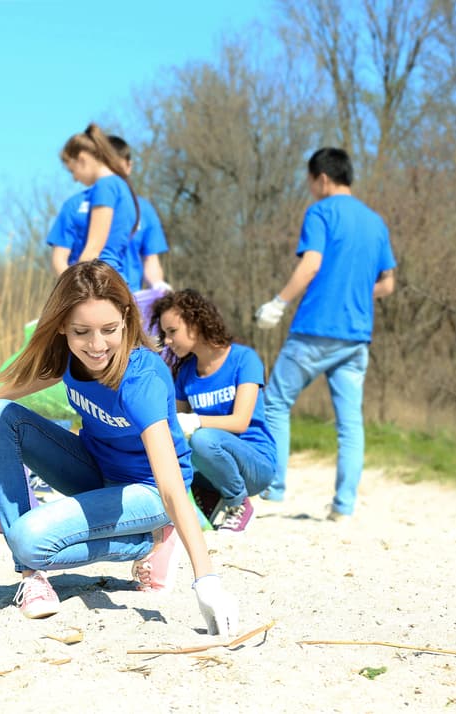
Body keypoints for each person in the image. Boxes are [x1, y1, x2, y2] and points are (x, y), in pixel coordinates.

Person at [0, 261, 238, 635]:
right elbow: (27, 383)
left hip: (148, 494)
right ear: (62, 326)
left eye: (108, 330)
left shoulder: (142, 380)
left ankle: (147, 543)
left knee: (27, 538)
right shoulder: (72, 359)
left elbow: (170, 487)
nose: (96, 345)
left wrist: (206, 580)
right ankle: (31, 577)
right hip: (96, 473)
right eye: (82, 331)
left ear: (125, 318)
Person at [254, 147, 396, 520]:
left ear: (322, 178)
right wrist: (353, 291)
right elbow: (388, 284)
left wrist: (278, 303)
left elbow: (311, 265)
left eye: (310, 181)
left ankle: (274, 488)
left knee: (275, 403)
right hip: (357, 335)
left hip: (315, 330)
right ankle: (343, 507)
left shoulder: (320, 212)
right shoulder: (375, 222)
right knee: (350, 423)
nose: (310, 188)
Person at [151, 289, 276, 532]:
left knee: (202, 439)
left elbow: (240, 422)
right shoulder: (185, 373)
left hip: (255, 464)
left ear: (196, 324)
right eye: (165, 334)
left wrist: (195, 421)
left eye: (172, 332)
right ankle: (209, 500)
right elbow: (176, 426)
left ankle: (239, 503)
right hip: (210, 464)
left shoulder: (244, 359)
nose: (167, 340)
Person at [46, 124, 138, 284]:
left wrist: (77, 289)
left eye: (72, 170)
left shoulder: (105, 186)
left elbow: (93, 250)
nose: (75, 178)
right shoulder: (123, 186)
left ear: (82, 159)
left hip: (99, 283)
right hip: (117, 280)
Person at [105, 135, 171, 294]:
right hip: (90, 299)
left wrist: (158, 286)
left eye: (117, 171)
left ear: (129, 166)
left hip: (131, 298)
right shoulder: (80, 207)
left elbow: (151, 260)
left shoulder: (144, 210)